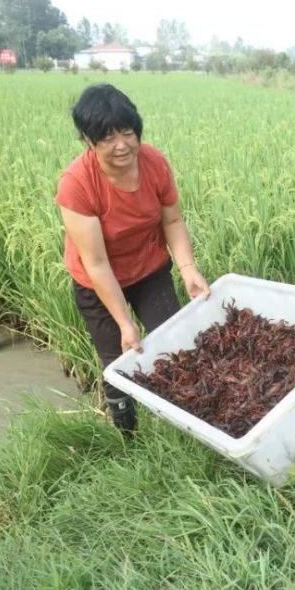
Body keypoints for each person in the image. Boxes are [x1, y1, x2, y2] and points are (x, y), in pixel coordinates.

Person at [56, 84, 210, 435]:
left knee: (174, 341)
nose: (122, 144)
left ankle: (183, 425)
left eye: (128, 131)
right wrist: (125, 322)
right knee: (119, 359)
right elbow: (95, 264)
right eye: (107, 137)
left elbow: (172, 220)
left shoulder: (154, 163)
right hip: (97, 282)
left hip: (149, 270)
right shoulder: (77, 185)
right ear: (87, 140)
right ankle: (129, 435)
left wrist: (188, 269)